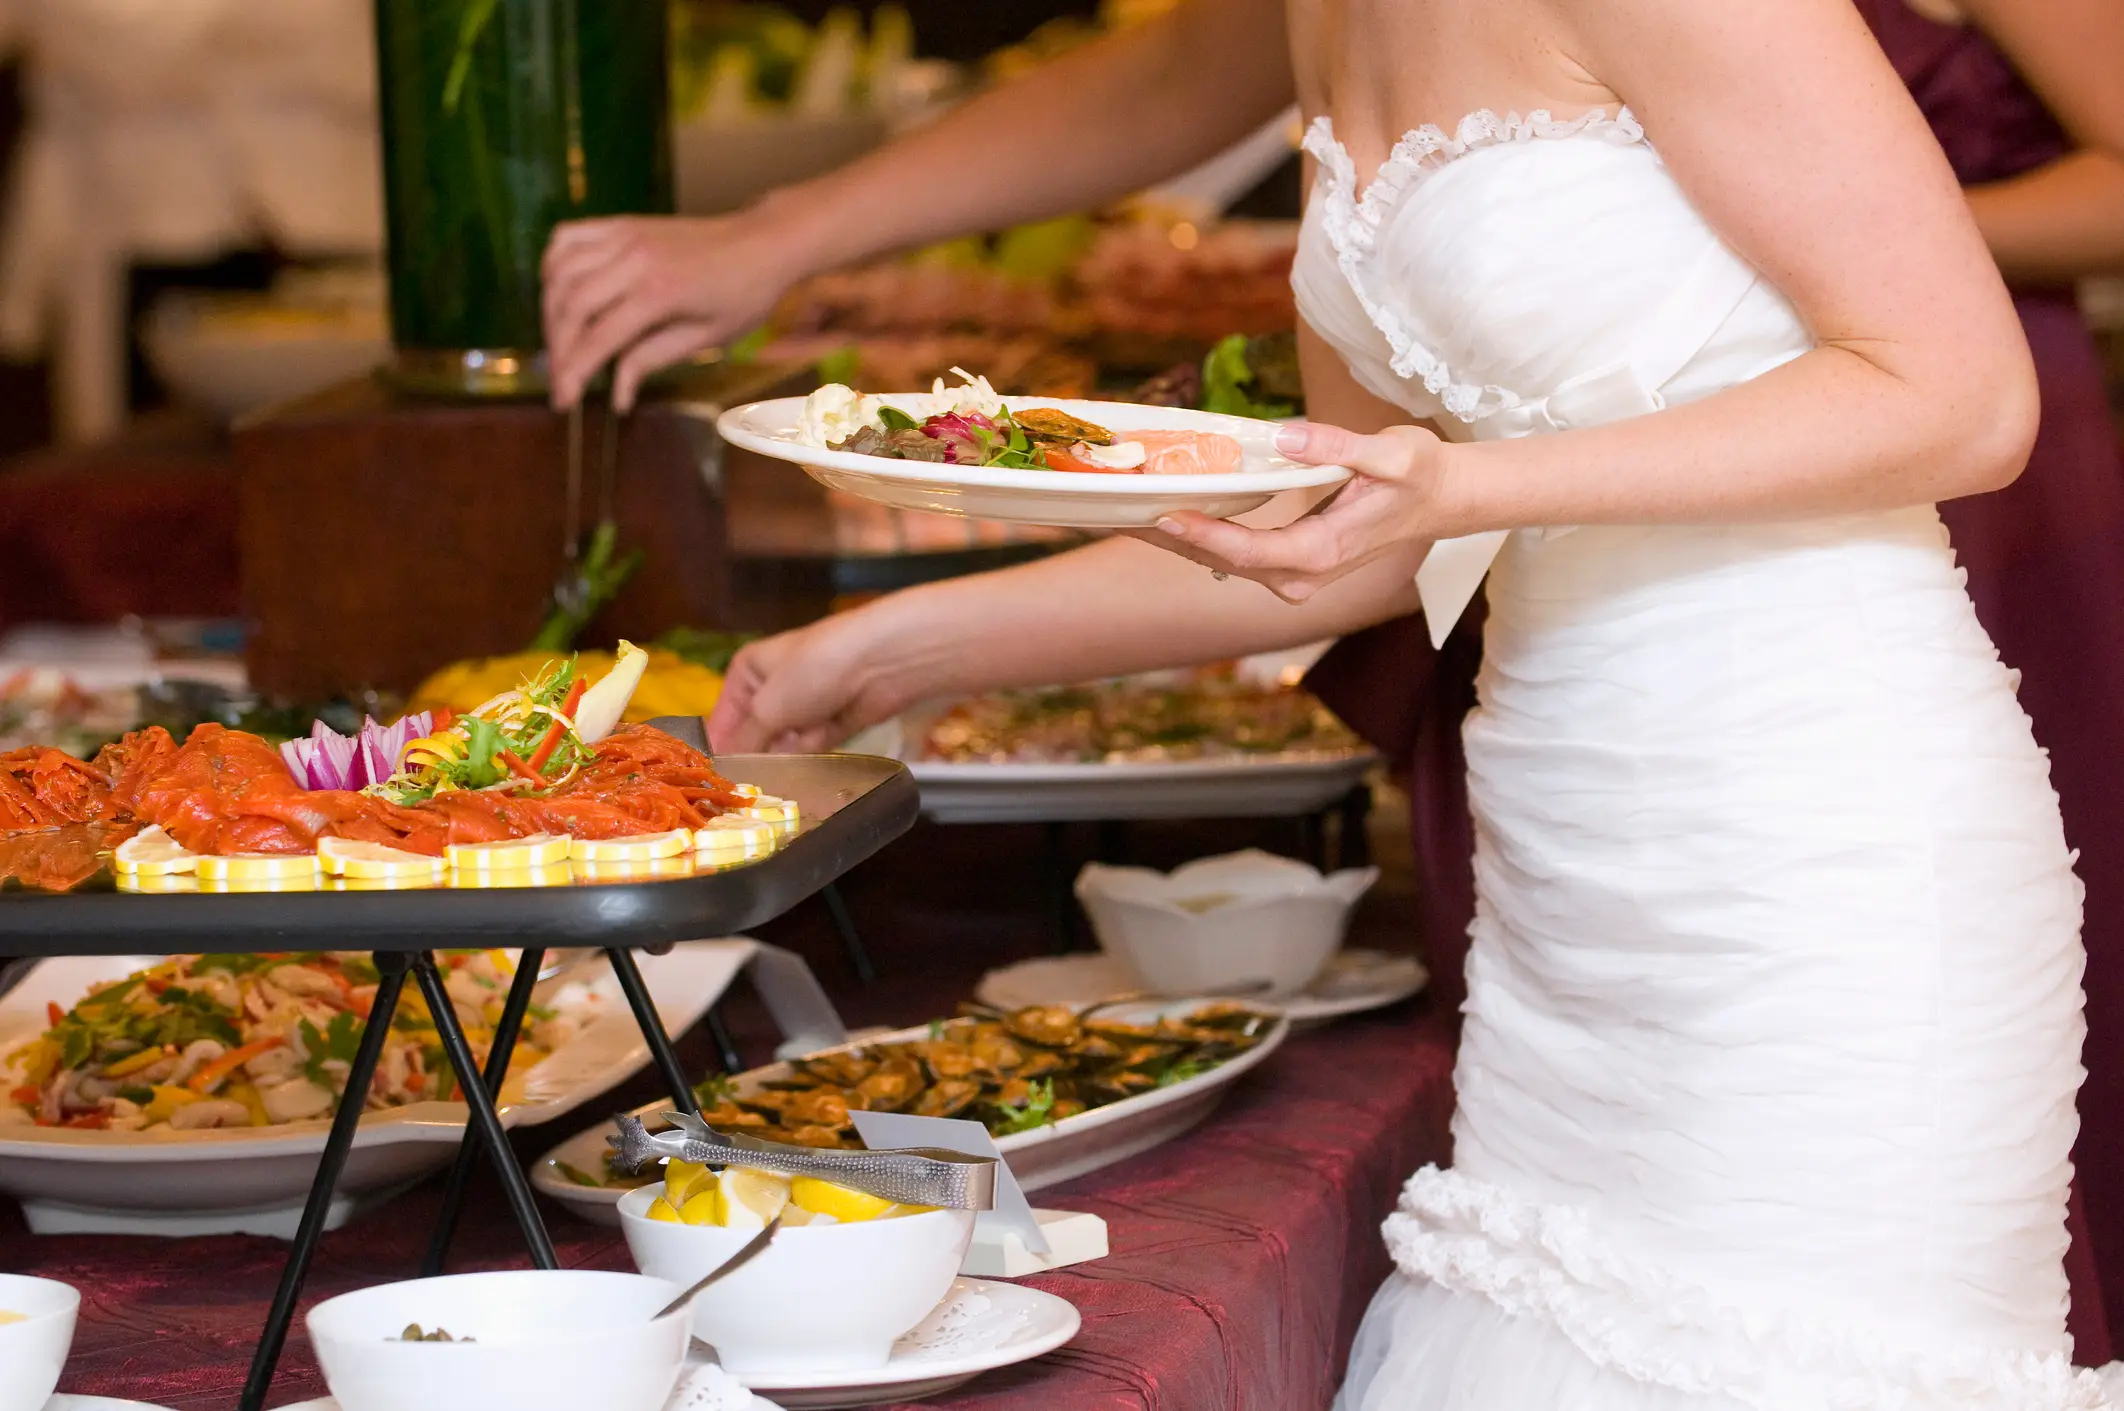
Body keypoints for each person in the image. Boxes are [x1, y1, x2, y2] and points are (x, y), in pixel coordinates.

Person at [544, 0, 2119, 1402]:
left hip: (1828, 855)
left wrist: (1484, 483)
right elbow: (1353, 530)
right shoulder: (1320, 20)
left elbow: (1963, 390)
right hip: (1563, 895)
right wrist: (901, 648)